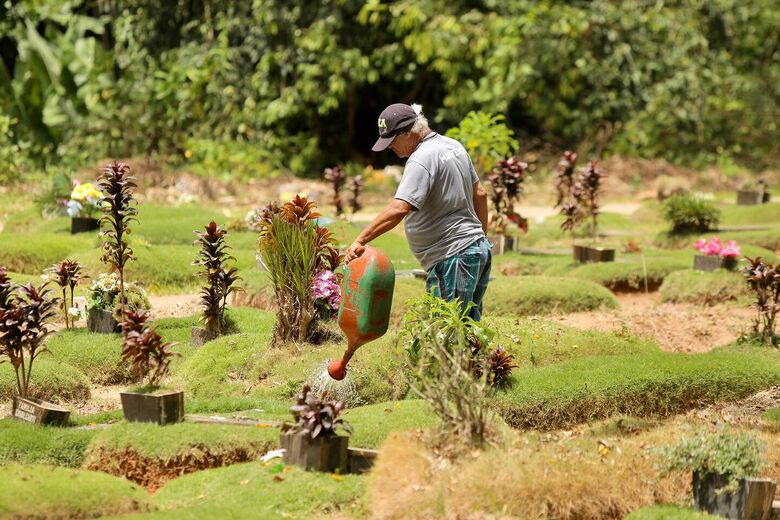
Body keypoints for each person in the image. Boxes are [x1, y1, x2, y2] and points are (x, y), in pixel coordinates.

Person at [345, 103, 491, 321]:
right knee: (467, 326)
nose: (389, 147)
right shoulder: (453, 146)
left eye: (391, 140)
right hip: (476, 250)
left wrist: (360, 240)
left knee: (448, 331)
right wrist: (480, 238)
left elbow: (398, 208)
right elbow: (480, 194)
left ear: (408, 132)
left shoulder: (421, 158)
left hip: (453, 256)